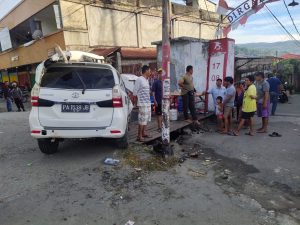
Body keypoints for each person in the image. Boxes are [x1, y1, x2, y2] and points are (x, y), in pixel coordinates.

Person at [133, 65, 152, 142]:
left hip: (148, 103)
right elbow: (134, 92)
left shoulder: (147, 80)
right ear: (146, 71)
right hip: (142, 103)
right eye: (149, 71)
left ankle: (143, 133)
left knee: (146, 119)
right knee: (142, 120)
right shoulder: (139, 79)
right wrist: (135, 103)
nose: (150, 72)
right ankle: (139, 136)